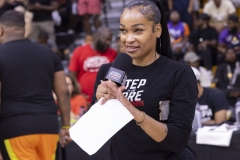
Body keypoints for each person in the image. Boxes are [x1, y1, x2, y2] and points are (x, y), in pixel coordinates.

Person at [92, 0, 198, 159]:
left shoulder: (179, 73)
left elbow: (178, 141)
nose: (128, 39)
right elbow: (97, 131)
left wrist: (133, 111)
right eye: (123, 31)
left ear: (157, 30)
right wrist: (99, 104)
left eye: (138, 31)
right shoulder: (108, 71)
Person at [0, 11, 71, 160]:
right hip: (48, 127)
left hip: (16, 129)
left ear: (0, 30)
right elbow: (63, 91)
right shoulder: (49, 54)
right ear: (24, 29)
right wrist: (65, 126)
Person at [68, 26, 117, 103]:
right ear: (96, 37)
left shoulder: (113, 53)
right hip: (84, 99)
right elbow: (72, 75)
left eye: (109, 40)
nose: (108, 42)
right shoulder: (79, 51)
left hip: (106, 99)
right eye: (105, 39)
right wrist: (78, 93)